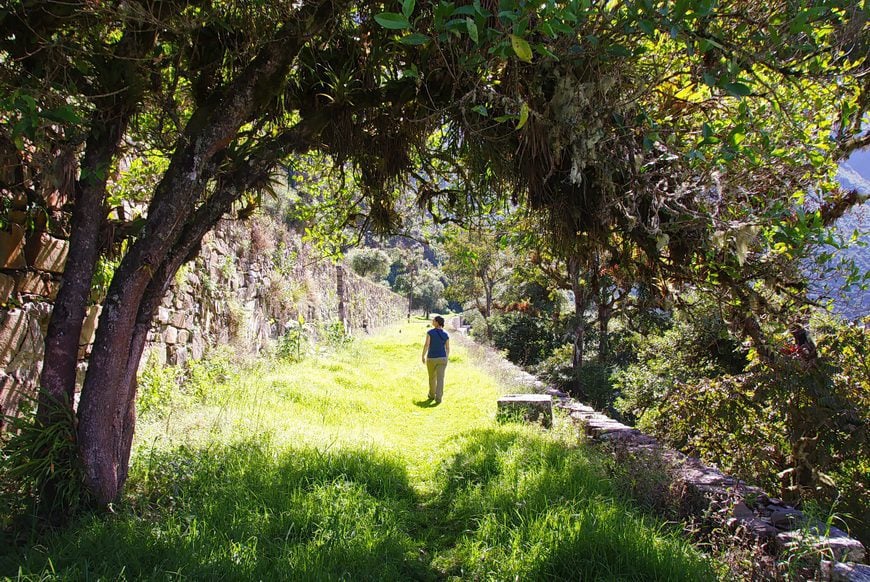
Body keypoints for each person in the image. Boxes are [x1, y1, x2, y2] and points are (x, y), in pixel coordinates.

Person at [422, 315, 450, 404]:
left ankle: (431, 395)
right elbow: (448, 348)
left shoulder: (430, 332)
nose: (432, 322)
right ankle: (438, 399)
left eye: (433, 321)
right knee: (440, 379)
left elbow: (426, 345)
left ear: (437, 322)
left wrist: (423, 355)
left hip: (431, 358)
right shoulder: (446, 334)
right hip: (442, 358)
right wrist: (446, 357)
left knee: (432, 377)